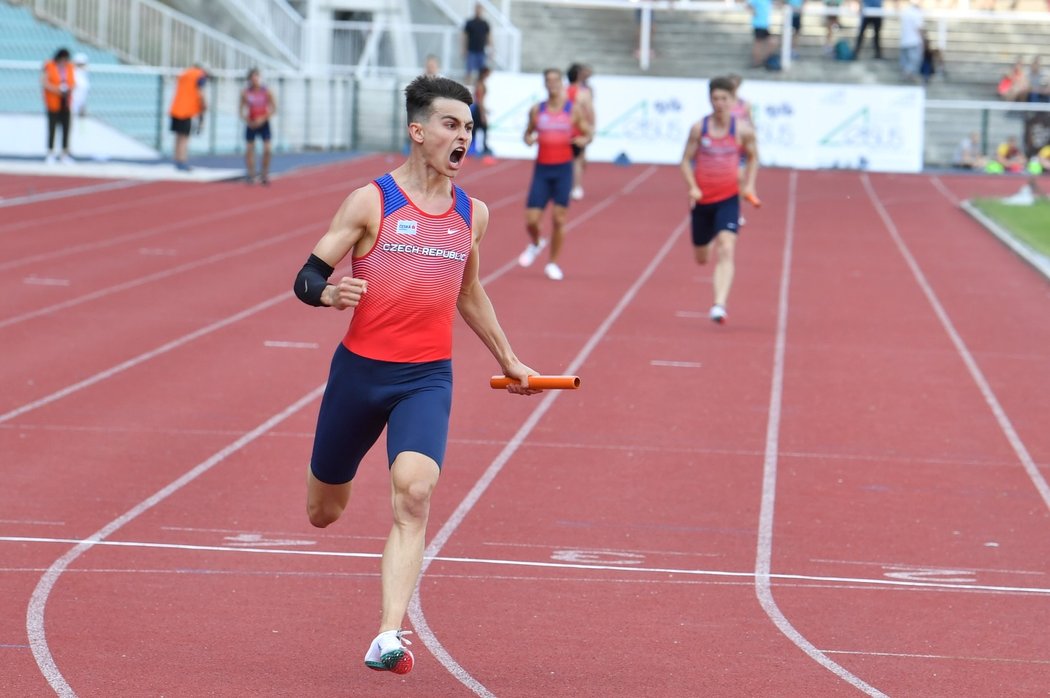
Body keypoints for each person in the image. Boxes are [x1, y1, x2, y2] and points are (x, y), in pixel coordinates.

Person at [293, 74, 539, 675]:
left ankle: (387, 635)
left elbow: (470, 290)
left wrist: (508, 358)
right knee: (324, 511)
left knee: (415, 492)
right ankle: (332, 478)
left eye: (470, 128)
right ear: (418, 130)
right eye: (452, 125)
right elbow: (305, 277)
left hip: (425, 380)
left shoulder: (471, 213)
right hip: (358, 376)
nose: (463, 137)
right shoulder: (371, 201)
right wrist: (329, 295)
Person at [678, 76, 759, 325]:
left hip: (728, 198)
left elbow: (754, 157)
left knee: (726, 247)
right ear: (709, 99)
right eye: (715, 98)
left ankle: (719, 304)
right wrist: (692, 187)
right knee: (702, 257)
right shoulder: (698, 128)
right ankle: (711, 235)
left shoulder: (743, 130)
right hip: (702, 200)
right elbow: (684, 161)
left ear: (733, 100)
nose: (720, 103)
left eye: (724, 98)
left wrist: (749, 185)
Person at [517, 68, 593, 281]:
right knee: (531, 220)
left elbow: (588, 132)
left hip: (563, 170)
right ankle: (536, 242)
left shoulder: (572, 110)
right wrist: (529, 139)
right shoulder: (537, 110)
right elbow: (527, 133)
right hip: (542, 170)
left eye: (555, 80)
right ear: (544, 84)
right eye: (548, 81)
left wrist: (583, 140)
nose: (552, 84)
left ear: (561, 83)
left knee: (559, 219)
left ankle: (552, 263)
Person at [240, 68, 277, 184]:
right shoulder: (246, 92)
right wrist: (248, 120)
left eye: (257, 77)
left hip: (263, 123)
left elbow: (274, 108)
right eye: (253, 77)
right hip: (251, 123)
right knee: (249, 149)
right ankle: (251, 174)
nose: (255, 80)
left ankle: (264, 174)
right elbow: (240, 110)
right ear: (250, 79)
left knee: (268, 149)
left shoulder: (266, 91)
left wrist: (263, 118)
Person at [169, 63, 209, 171]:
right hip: (187, 110)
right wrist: (204, 104)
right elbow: (200, 92)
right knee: (184, 137)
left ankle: (177, 160)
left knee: (178, 136)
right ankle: (182, 161)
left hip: (176, 107)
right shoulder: (199, 75)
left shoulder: (184, 73)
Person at [566, 63, 596, 200]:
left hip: (565, 128)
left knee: (571, 159)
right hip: (579, 128)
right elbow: (590, 111)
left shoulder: (563, 90)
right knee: (578, 160)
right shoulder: (584, 92)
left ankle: (570, 185)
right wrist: (592, 128)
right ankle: (576, 187)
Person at [41, 47, 75, 165]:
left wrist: (67, 89)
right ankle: (50, 153)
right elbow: (44, 82)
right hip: (53, 103)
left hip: (65, 103)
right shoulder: (49, 66)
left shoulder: (70, 67)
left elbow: (73, 83)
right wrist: (58, 90)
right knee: (52, 128)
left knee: (66, 129)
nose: (64, 62)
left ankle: (64, 154)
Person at [462, 3, 491, 85]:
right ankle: (467, 87)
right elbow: (465, 37)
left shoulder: (485, 23)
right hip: (471, 50)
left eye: (480, 9)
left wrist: (491, 49)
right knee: (469, 71)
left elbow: (489, 37)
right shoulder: (469, 22)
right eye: (477, 9)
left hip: (481, 51)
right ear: (474, 10)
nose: (478, 11)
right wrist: (464, 49)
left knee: (481, 72)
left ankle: (479, 89)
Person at [469, 66, 494, 158]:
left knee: (476, 129)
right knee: (482, 127)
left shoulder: (479, 83)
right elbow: (479, 100)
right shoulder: (480, 84)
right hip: (477, 109)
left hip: (477, 108)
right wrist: (483, 114)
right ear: (484, 73)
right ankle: (481, 147)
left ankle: (475, 147)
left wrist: (485, 110)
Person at [898, 0, 924, 82]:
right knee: (913, 63)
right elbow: (918, 28)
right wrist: (923, 40)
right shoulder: (916, 13)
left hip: (904, 41)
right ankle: (909, 76)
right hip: (914, 41)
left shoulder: (905, 12)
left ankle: (907, 78)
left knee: (906, 63)